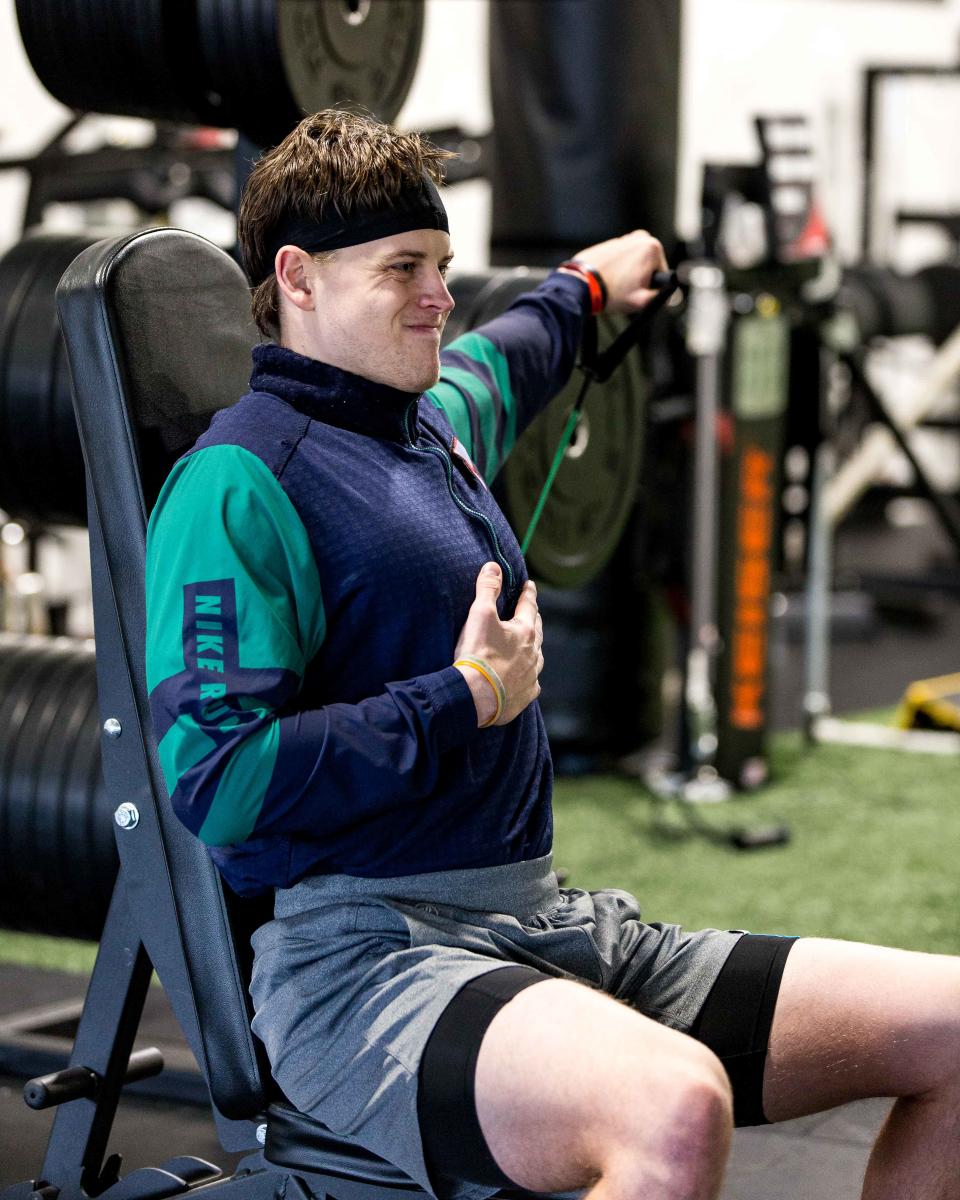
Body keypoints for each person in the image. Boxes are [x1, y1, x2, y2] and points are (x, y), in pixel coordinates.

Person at [145, 111, 960, 1200]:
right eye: (404, 268)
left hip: (544, 921)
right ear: (298, 277)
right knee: (675, 1110)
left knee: (952, 1026)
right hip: (366, 961)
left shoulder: (428, 421)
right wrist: (463, 697)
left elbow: (514, 357)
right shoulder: (239, 482)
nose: (440, 294)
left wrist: (586, 287)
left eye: (440, 262)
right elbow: (219, 782)